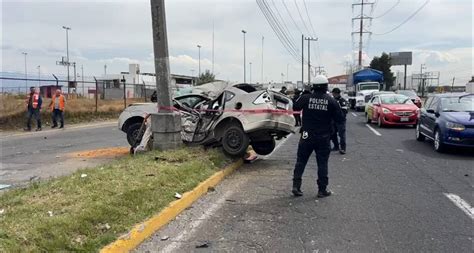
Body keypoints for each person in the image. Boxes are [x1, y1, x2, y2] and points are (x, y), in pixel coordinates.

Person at [292, 75, 344, 198]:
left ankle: (296, 186)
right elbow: (340, 118)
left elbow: (295, 106)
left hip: (306, 134)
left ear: (313, 87)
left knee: (301, 161)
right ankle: (322, 190)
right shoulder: (331, 100)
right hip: (324, 136)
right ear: (326, 86)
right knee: (322, 163)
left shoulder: (305, 98)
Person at [330, 88, 348, 154]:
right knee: (332, 134)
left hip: (340, 121)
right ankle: (336, 146)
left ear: (336, 93)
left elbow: (344, 111)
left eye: (333, 93)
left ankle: (343, 149)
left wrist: (340, 117)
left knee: (342, 135)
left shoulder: (342, 101)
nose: (333, 94)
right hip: (333, 121)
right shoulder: (332, 100)